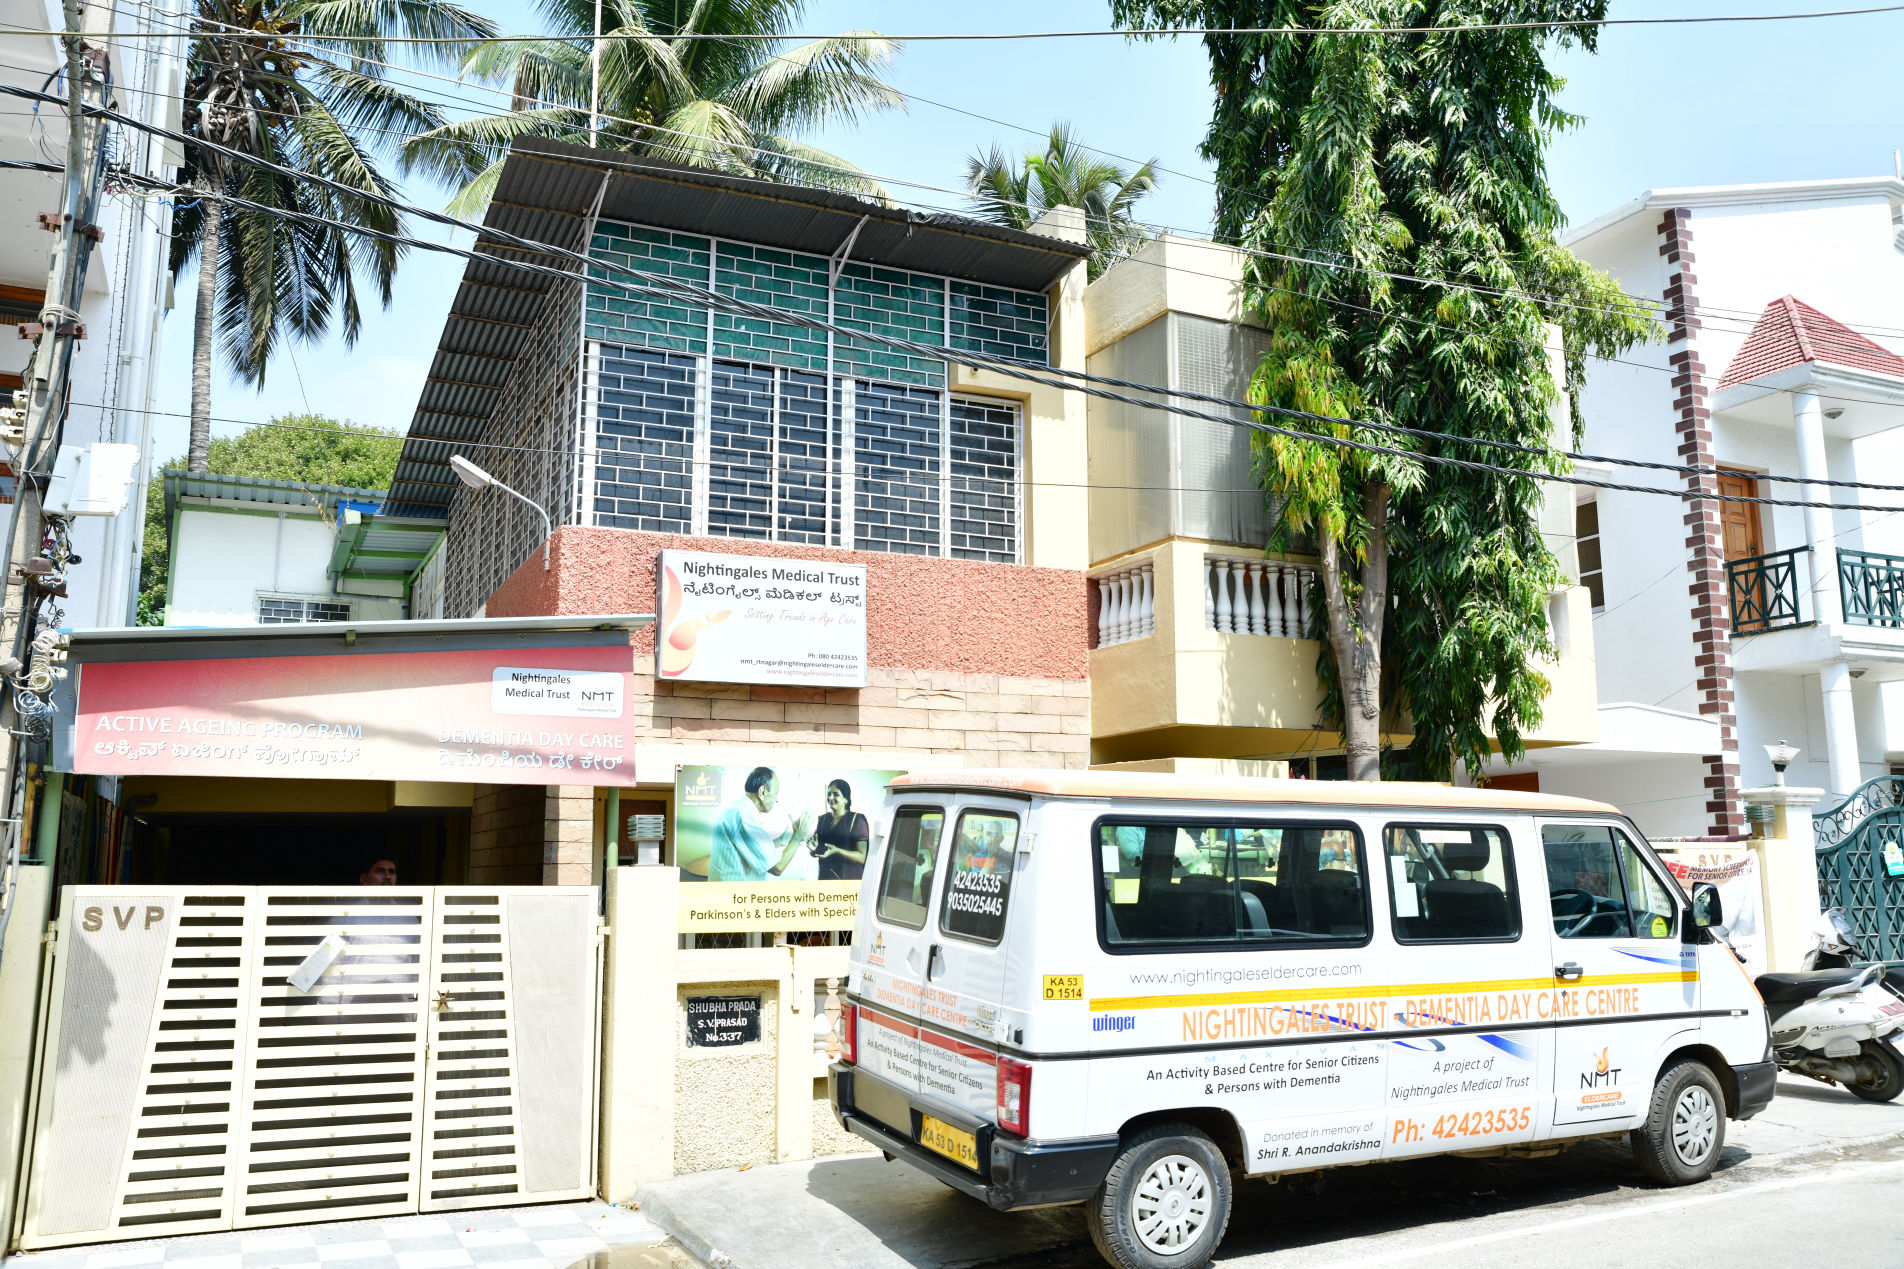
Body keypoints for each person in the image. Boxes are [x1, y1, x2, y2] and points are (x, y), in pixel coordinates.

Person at [709, 767, 813, 882]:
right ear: (762, 792)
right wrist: (798, 835)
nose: (777, 799)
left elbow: (752, 847)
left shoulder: (739, 809)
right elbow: (777, 868)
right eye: (776, 793)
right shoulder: (745, 816)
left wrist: (783, 839)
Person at [810, 779, 870, 882]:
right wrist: (814, 849)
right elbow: (819, 852)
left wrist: (838, 851)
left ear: (846, 799)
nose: (830, 798)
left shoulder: (857, 820)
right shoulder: (823, 820)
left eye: (835, 794)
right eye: (828, 794)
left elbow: (862, 856)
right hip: (824, 880)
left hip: (847, 883)